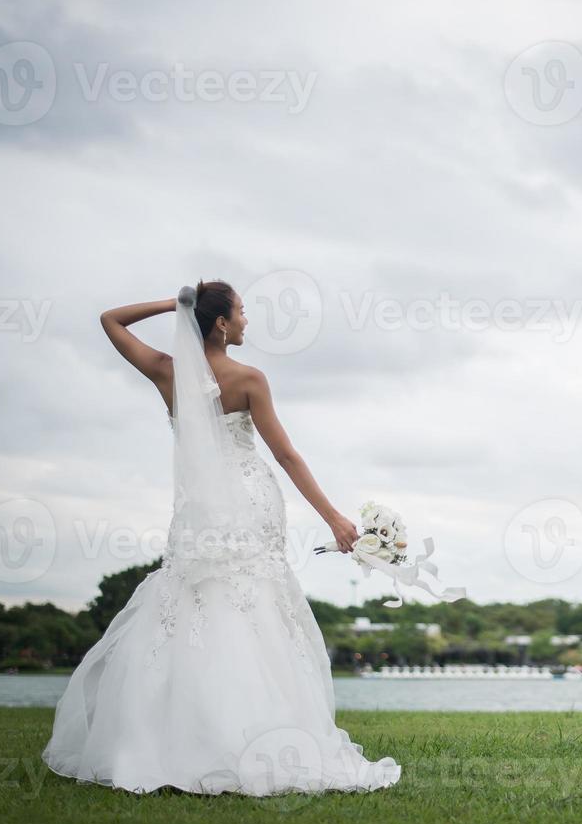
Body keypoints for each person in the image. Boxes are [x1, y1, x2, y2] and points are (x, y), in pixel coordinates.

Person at [41, 281, 399, 796]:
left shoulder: (167, 372)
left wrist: (174, 305)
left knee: (193, 601)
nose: (248, 322)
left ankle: (184, 737)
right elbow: (287, 456)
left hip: (198, 510)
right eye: (242, 313)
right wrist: (335, 518)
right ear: (223, 325)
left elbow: (110, 319)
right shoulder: (249, 378)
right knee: (251, 607)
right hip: (249, 501)